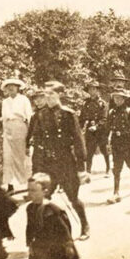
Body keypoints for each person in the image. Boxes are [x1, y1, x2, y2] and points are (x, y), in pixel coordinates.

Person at [31, 82, 90, 240]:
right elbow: (37, 142)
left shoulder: (68, 114)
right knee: (41, 199)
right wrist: (36, 168)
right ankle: (41, 234)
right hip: (48, 164)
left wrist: (81, 167)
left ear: (59, 95)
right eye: (46, 94)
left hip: (66, 163)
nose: (48, 97)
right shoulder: (40, 115)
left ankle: (85, 226)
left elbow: (78, 141)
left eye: (52, 94)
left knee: (73, 198)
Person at [25, 172, 80, 259]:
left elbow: (64, 228)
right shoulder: (30, 208)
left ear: (45, 191)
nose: (30, 193)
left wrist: (68, 245)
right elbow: (30, 226)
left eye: (34, 190)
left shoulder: (53, 209)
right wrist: (29, 243)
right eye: (29, 190)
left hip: (55, 246)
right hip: (39, 245)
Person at [106, 87, 130, 202]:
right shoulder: (111, 112)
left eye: (119, 98)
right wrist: (108, 143)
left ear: (124, 99)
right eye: (115, 98)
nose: (117, 100)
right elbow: (108, 128)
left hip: (127, 142)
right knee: (116, 169)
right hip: (116, 143)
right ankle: (116, 192)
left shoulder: (129, 111)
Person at [0, 76, 32, 192]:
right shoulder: (5, 102)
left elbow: (29, 117)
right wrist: (4, 132)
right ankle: (10, 184)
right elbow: (4, 118)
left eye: (13, 87)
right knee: (8, 157)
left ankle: (27, 183)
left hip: (20, 128)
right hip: (8, 129)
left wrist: (30, 134)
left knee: (21, 156)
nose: (11, 89)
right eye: (8, 88)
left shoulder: (24, 100)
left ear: (18, 88)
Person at [79, 79, 111, 177]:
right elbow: (82, 117)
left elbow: (105, 118)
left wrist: (96, 126)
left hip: (101, 130)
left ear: (98, 90)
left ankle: (108, 169)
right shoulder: (86, 103)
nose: (91, 91)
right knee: (90, 151)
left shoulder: (103, 103)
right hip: (90, 130)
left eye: (94, 89)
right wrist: (80, 127)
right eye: (90, 89)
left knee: (104, 150)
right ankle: (88, 171)